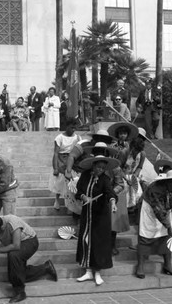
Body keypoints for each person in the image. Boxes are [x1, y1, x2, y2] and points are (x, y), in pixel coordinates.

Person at [0, 215, 58, 303]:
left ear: (2, 227)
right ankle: (46, 268)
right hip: (19, 243)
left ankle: (20, 292)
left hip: (30, 242)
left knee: (13, 255)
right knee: (14, 274)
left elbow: (16, 246)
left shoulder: (13, 223)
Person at [75, 154, 120, 286]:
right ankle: (88, 271)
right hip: (87, 215)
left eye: (103, 168)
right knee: (86, 240)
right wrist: (85, 198)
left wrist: (113, 203)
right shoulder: (85, 176)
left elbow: (110, 192)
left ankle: (98, 272)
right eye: (98, 167)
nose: (100, 170)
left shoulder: (105, 179)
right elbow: (79, 191)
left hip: (100, 216)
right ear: (93, 166)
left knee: (99, 242)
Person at [135, 169, 172, 279]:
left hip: (166, 210)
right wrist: (168, 226)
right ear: (167, 182)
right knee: (146, 236)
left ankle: (168, 265)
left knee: (167, 237)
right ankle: (140, 266)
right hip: (149, 209)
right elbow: (158, 209)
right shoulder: (155, 189)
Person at [50, 121, 81, 210]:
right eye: (71, 127)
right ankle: (57, 200)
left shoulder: (77, 137)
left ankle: (70, 204)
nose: (73, 130)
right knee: (60, 181)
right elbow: (55, 153)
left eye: (74, 128)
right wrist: (55, 168)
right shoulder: (59, 138)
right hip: (61, 159)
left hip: (72, 160)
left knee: (71, 182)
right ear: (67, 126)